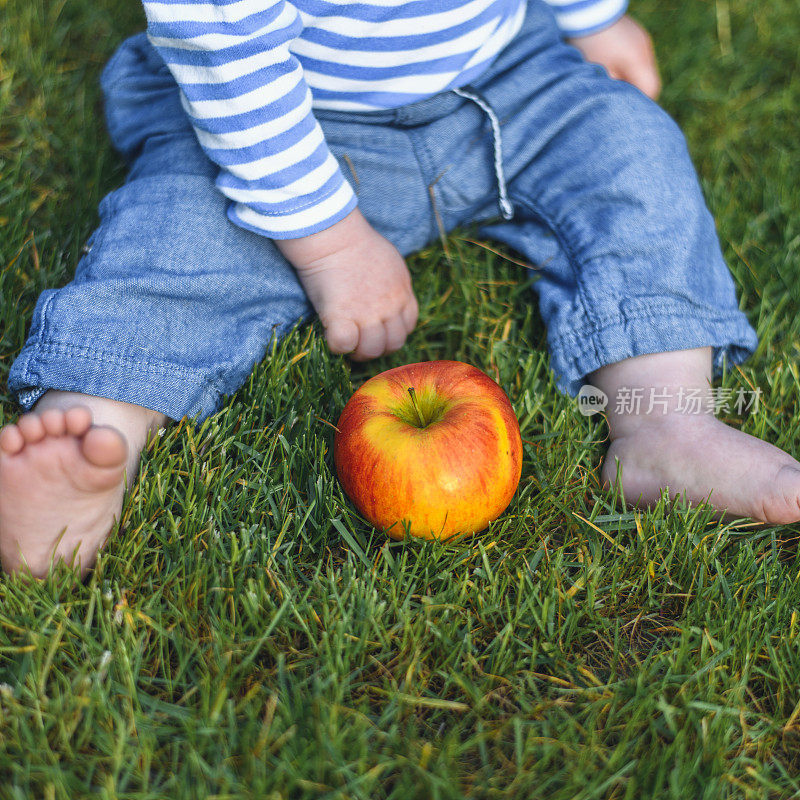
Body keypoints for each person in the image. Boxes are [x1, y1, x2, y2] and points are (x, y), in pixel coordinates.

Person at [2, 0, 799, 579]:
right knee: (180, 237)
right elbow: (226, 53)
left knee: (631, 155)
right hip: (282, 115)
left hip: (507, 75)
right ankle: (86, 433)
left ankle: (668, 427)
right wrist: (331, 240)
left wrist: (589, 16)